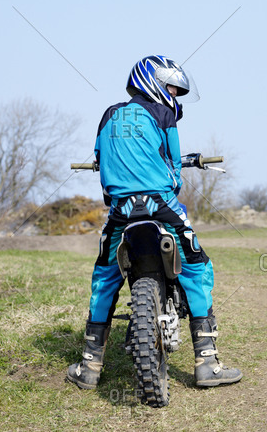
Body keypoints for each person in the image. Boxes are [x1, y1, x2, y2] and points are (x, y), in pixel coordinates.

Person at [67, 55, 242, 390]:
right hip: (159, 206)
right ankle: (207, 362)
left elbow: (101, 161)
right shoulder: (163, 115)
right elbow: (174, 171)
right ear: (155, 83)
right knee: (196, 266)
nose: (174, 97)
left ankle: (90, 366)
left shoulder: (108, 115)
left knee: (104, 276)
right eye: (172, 90)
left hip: (120, 211)